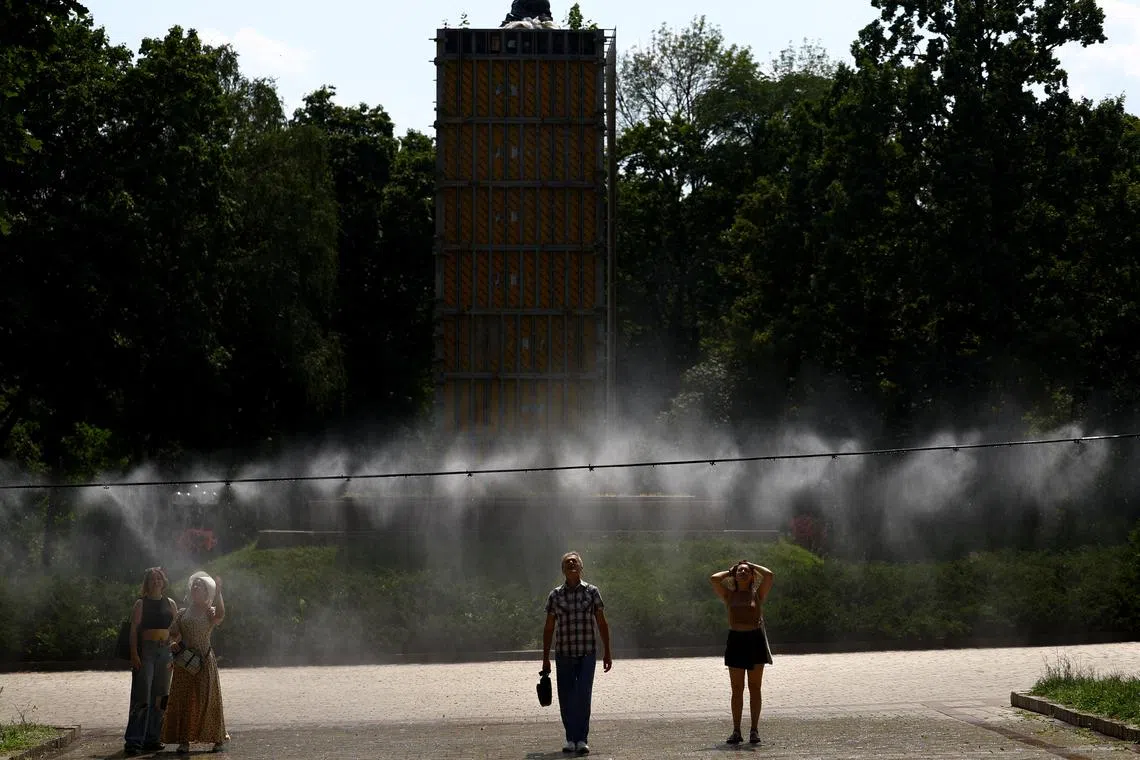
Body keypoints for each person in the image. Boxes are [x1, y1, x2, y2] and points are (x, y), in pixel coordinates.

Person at [542, 551, 612, 756]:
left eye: (574, 562)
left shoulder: (592, 592)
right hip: (563, 653)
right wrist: (545, 657)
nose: (571, 564)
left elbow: (601, 623)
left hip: (587, 653)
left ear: (581, 568)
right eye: (567, 563)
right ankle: (570, 738)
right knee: (566, 697)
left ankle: (582, 738)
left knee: (583, 695)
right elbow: (548, 628)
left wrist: (607, 651)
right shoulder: (555, 595)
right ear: (563, 570)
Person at [162, 571, 230, 754]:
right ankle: (184, 741)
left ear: (207, 591)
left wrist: (219, 593)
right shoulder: (183, 613)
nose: (196, 586)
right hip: (185, 662)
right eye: (194, 584)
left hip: (205, 659)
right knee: (183, 699)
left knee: (208, 699)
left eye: (200, 585)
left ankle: (217, 739)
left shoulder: (210, 611)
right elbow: (172, 634)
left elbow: (220, 616)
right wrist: (173, 644)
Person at [709, 559, 774, 746]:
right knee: (737, 690)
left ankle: (754, 730)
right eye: (740, 571)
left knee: (755, 688)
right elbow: (714, 579)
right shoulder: (729, 595)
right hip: (736, 640)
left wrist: (752, 565)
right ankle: (736, 731)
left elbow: (769, 575)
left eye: (746, 571)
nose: (742, 573)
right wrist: (730, 570)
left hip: (755, 640)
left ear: (752, 575)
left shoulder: (758, 594)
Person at [123, 567, 178, 757]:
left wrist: (172, 643)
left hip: (165, 653)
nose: (156, 581)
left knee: (161, 697)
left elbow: (177, 630)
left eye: (159, 578)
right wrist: (134, 654)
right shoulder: (141, 604)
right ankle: (134, 741)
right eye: (153, 579)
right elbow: (133, 631)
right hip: (146, 651)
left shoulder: (170, 603)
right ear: (147, 583)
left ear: (163, 582)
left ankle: (153, 738)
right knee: (142, 696)